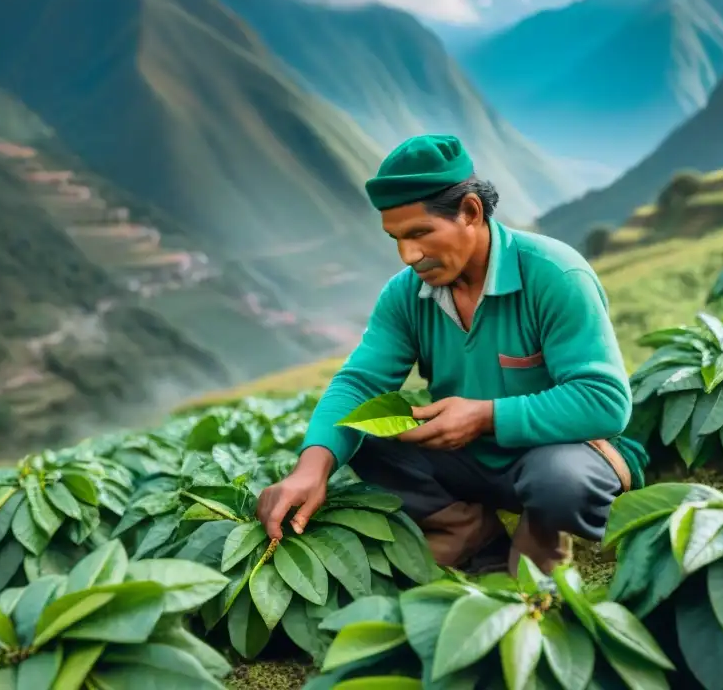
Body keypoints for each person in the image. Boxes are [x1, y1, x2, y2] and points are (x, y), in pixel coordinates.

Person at [256, 134, 647, 575]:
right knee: (360, 433)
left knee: (559, 481)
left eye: (420, 233)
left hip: (561, 452)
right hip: (469, 457)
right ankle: (470, 532)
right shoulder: (405, 296)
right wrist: (312, 466)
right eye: (396, 238)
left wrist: (483, 416)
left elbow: (605, 401)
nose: (409, 255)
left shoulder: (555, 274)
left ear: (470, 212)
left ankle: (540, 552)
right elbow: (359, 383)